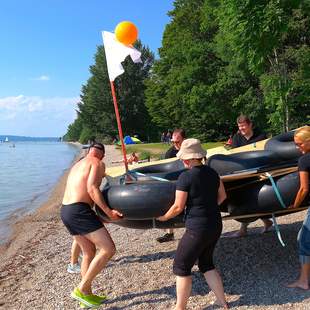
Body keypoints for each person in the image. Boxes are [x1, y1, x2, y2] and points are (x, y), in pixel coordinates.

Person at [157, 138, 228, 309]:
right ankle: (222, 302)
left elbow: (178, 206)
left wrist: (164, 218)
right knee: (206, 264)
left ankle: (180, 308)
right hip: (215, 224)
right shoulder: (213, 173)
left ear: (187, 159)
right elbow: (223, 196)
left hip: (197, 228)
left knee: (181, 267)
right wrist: (208, 207)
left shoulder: (185, 177)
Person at [61, 142, 123, 308]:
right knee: (108, 249)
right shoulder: (97, 163)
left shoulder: (78, 164)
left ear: (89, 151)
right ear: (101, 154)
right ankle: (81, 289)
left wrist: (97, 216)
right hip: (79, 211)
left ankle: (86, 297)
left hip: (66, 210)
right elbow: (92, 189)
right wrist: (109, 212)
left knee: (88, 252)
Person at [230, 115, 272, 237]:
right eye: (239, 126)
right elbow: (233, 155)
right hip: (242, 172)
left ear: (250, 125)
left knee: (256, 197)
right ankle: (264, 222)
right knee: (245, 198)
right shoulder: (237, 138)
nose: (241, 128)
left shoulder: (261, 136)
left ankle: (245, 228)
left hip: (259, 172)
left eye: (243, 125)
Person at [287, 126, 310, 290]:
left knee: (304, 240)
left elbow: (304, 189)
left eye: (299, 144)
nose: (297, 147)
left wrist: (295, 205)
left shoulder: (304, 160)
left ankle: (304, 281)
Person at [156, 128, 186, 243]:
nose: (175, 144)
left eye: (177, 142)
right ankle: (170, 233)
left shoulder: (190, 150)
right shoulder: (170, 153)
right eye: (173, 142)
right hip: (175, 183)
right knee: (171, 205)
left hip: (189, 182)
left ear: (184, 139)